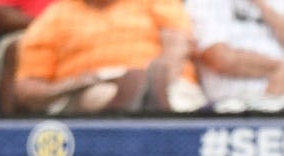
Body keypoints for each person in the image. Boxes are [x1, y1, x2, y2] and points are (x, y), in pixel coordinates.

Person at [13, 0, 206, 114]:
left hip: (165, 82)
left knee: (179, 101)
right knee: (98, 95)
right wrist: (74, 84)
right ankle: (137, 107)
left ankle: (148, 101)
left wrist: (158, 81)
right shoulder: (54, 16)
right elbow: (26, 89)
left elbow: (177, 44)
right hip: (88, 88)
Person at [184, 0, 284, 113]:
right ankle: (266, 106)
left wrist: (263, 6)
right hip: (231, 102)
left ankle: (266, 106)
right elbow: (220, 58)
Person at [0, 0, 57, 113]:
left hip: (74, 33)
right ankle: (10, 123)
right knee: (18, 47)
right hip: (20, 33)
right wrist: (46, 26)